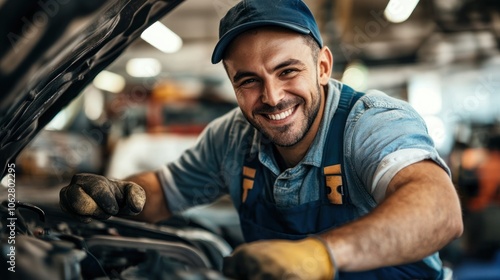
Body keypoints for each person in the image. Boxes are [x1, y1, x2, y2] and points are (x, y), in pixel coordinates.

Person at [59, 0, 463, 279]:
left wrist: (319, 255)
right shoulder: (231, 137)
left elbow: (439, 210)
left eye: (288, 71)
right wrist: (120, 193)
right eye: (249, 80)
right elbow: (164, 191)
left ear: (322, 66)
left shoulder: (369, 123)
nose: (271, 97)